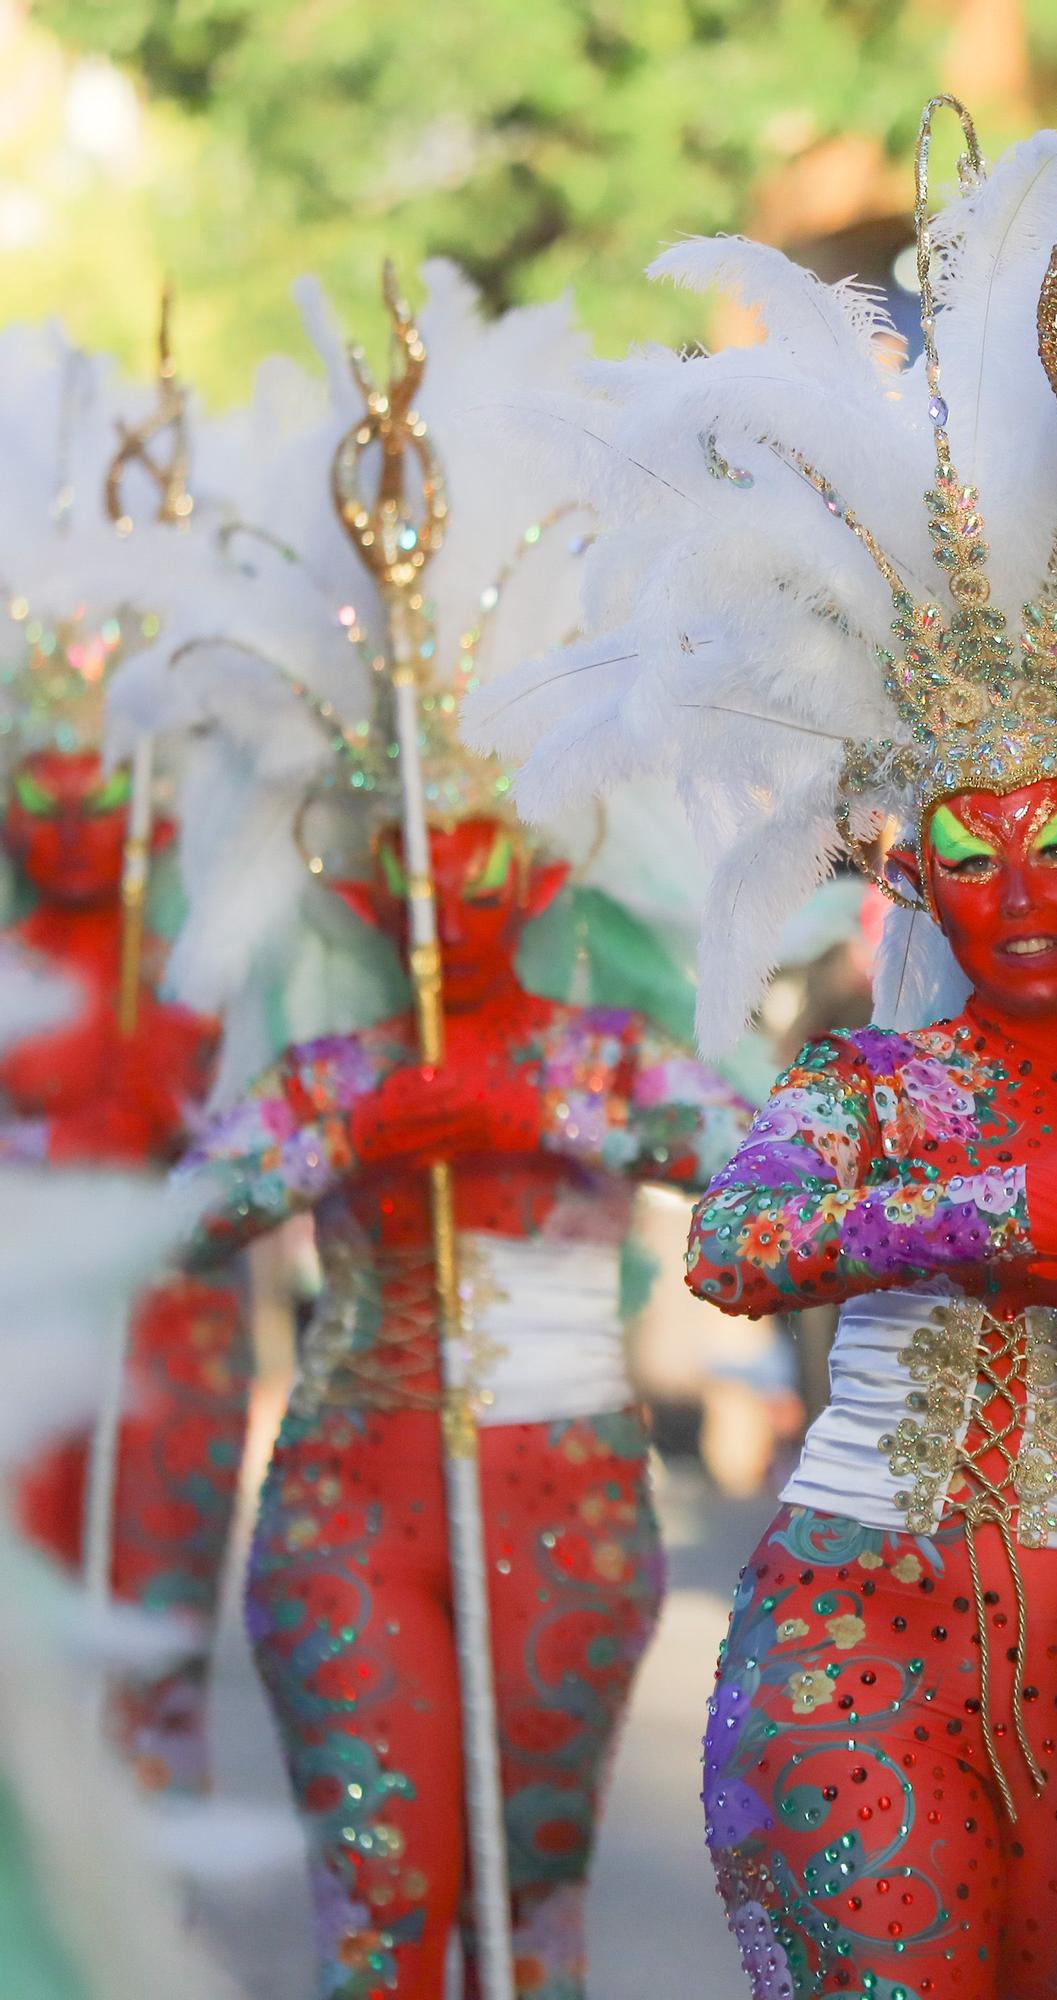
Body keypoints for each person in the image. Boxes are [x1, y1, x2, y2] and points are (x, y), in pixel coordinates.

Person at [462, 71, 1057, 2000]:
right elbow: (742, 1245)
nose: (1022, 886)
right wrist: (995, 1206)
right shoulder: (870, 1087)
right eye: (970, 843)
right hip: (862, 1642)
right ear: (916, 869)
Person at [115, 264, 755, 2000]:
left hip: (569, 1500)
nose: (439, 881)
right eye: (409, 845)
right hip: (348, 1495)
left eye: (480, 844)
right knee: (388, 1910)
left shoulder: (614, 1057)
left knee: (527, 1910)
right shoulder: (332, 1069)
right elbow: (181, 1211)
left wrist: (547, 1105)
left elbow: (770, 1181)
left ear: (546, 861)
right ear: (360, 860)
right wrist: (374, 1125)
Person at [0, 327, 249, 1799]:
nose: (77, 811)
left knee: (149, 1660)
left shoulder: (210, 954)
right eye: (45, 781)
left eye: (104, 778)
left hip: (171, 1340)